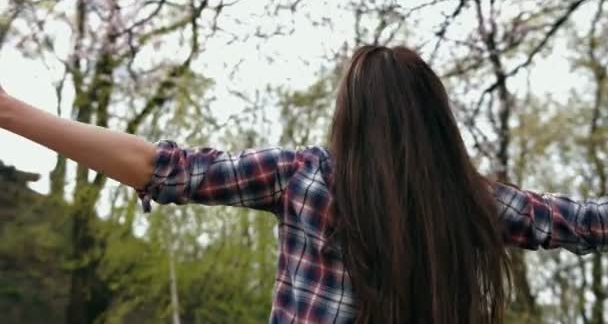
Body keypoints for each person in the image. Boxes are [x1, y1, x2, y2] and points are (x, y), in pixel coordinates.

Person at [0, 45, 606, 324]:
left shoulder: (306, 176)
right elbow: (588, 221)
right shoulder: (476, 203)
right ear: (435, 121)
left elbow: (165, 168)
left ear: (352, 116)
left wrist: (13, 113)